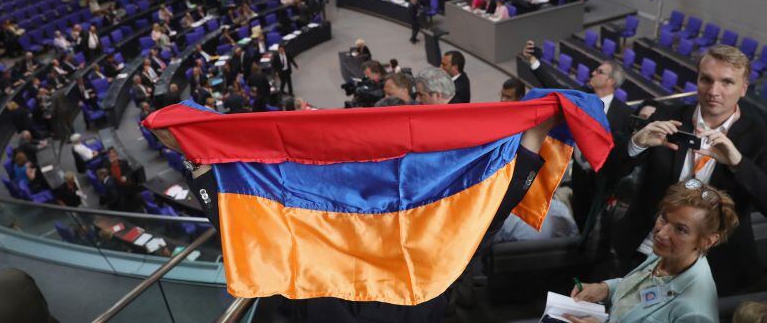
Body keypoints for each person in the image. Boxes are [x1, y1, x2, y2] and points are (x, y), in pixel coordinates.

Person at [147, 78, 559, 323]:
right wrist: (537, 127)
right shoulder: (437, 236)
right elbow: (496, 202)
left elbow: (239, 221)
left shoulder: (303, 232)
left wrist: (197, 158)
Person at [611, 45, 767, 296]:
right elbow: (610, 171)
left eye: (727, 82)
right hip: (647, 250)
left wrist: (738, 163)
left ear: (744, 87)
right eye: (706, 79)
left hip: (714, 267)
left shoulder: (760, 136)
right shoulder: (668, 116)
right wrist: (636, 143)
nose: (714, 91)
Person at [567, 181, 738, 323]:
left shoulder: (696, 312)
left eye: (681, 229)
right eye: (663, 218)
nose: (661, 233)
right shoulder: (668, 253)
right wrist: (605, 289)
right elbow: (640, 288)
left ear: (707, 241)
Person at [522, 40, 632, 229]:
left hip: (604, 178)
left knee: (595, 222)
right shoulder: (582, 95)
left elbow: (623, 149)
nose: (593, 73)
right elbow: (554, 87)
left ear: (610, 81)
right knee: (579, 214)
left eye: (599, 72)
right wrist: (534, 61)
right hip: (580, 173)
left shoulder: (624, 113)